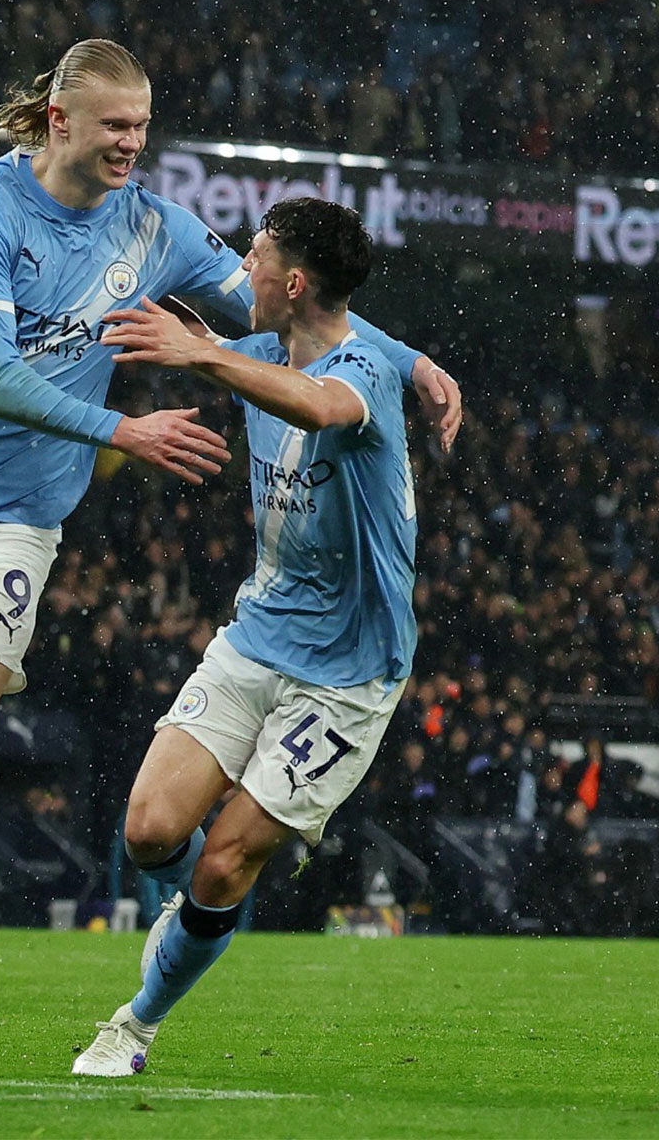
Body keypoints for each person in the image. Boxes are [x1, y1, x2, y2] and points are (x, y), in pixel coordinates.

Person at [0, 40, 461, 1070]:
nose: (132, 146)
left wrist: (407, 359)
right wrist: (125, 434)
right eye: (114, 128)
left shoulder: (157, 226)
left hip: (15, 523)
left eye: (143, 128)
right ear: (60, 120)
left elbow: (295, 310)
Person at [67, 197, 419, 1076]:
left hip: (348, 673)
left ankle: (134, 1026)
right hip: (258, 636)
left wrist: (205, 355)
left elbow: (321, 407)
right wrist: (200, 346)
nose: (242, 273)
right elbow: (250, 348)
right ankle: (192, 914)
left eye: (255, 259)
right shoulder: (262, 344)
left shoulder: (364, 370)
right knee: (149, 831)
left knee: (224, 865)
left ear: (293, 282)